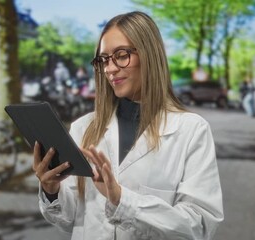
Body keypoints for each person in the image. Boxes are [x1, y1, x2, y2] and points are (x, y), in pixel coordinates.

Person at [33, 11, 223, 240]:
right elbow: (71, 218)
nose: (110, 69)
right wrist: (52, 191)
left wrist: (123, 200)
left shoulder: (192, 131)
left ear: (150, 55)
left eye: (121, 55)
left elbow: (200, 227)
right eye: (103, 59)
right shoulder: (83, 128)